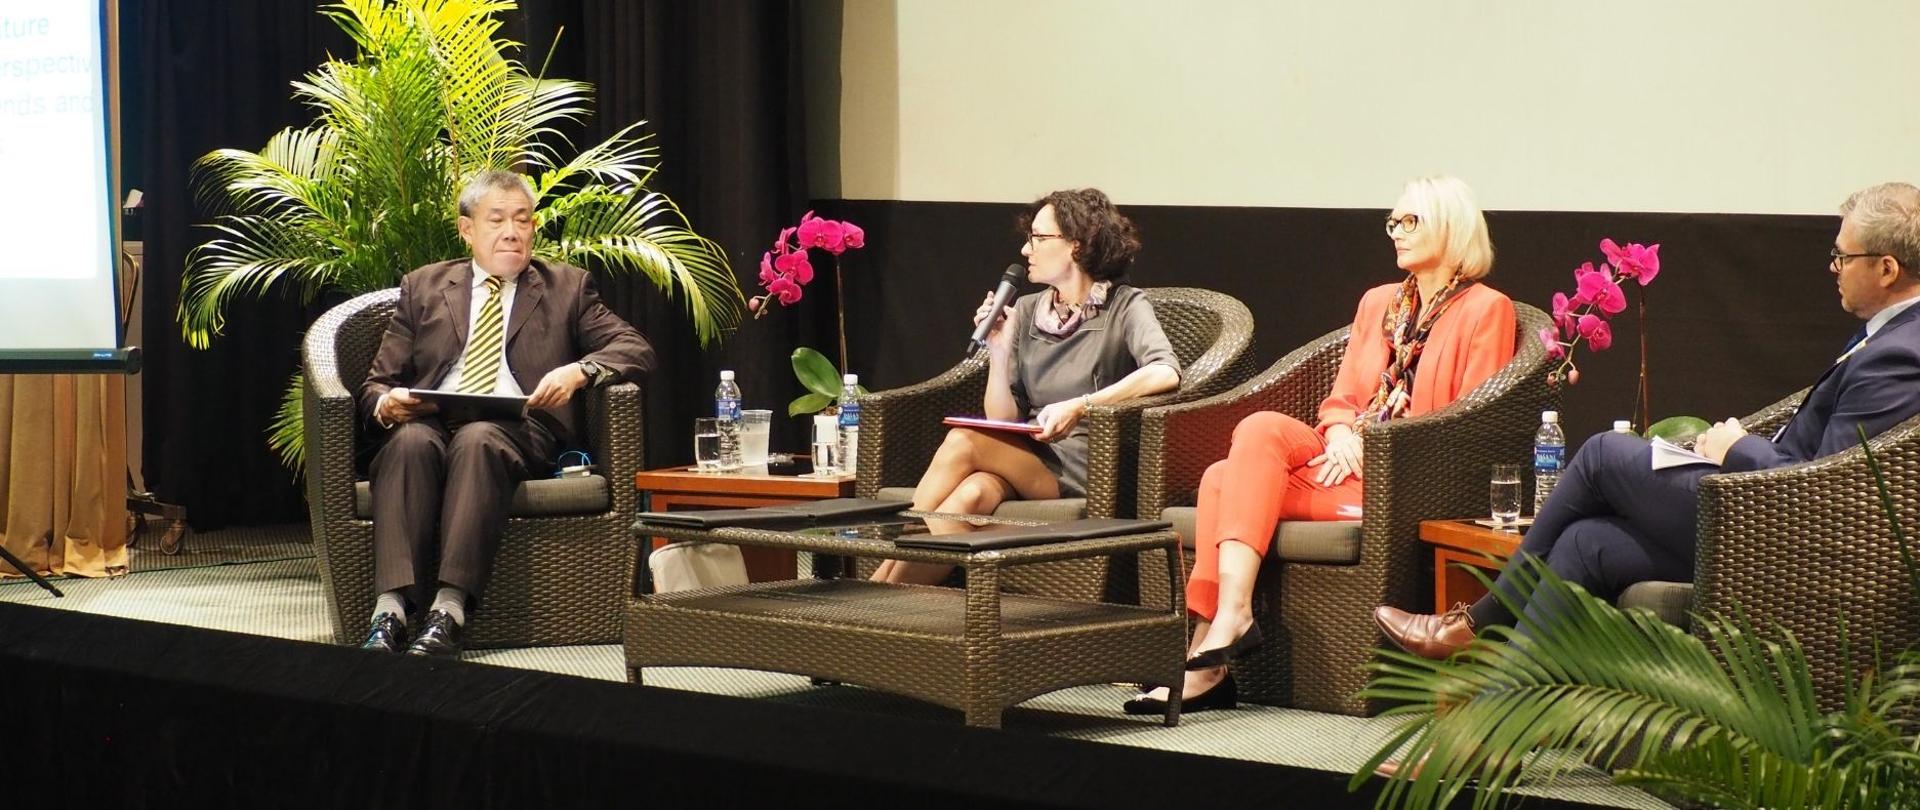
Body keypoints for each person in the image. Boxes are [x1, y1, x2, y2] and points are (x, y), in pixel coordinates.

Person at [1374, 181, 1920, 662]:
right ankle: (1493, 731)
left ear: (1886, 269)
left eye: (1842, 257)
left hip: (1782, 531)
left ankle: (1478, 623)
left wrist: (1738, 449)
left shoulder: (1901, 354)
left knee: (1604, 454)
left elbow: (1835, 490)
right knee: (1587, 541)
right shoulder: (1888, 336)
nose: (1833, 268)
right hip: (1762, 507)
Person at [1124, 176, 1516, 715]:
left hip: (1404, 470)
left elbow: (1468, 421)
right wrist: (1339, 435)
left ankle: (1208, 656)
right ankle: (1233, 616)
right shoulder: (1379, 303)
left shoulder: (1486, 309)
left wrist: (1378, 440)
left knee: (1219, 481)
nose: (1395, 233)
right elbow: (1342, 398)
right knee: (1259, 427)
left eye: (1410, 222)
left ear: (1450, 227)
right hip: (1345, 453)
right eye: (1392, 222)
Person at [357, 170, 655, 657]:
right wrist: (388, 405)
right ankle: (390, 611)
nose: (512, 232)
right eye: (496, 220)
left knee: (477, 439)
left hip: (517, 429)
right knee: (409, 442)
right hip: (431, 420)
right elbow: (377, 383)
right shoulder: (424, 287)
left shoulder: (567, 287)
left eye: (522, 220)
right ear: (467, 229)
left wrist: (580, 370)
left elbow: (634, 348)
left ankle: (448, 612)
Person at [869, 189, 1183, 585]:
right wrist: (1000, 353)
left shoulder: (1124, 305)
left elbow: (1165, 371)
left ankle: (872, 573)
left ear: (1076, 245)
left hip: (1086, 464)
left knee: (963, 441)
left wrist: (1082, 405)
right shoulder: (1031, 310)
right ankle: (885, 607)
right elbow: (1003, 417)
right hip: (1032, 456)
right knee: (970, 495)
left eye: (1038, 237)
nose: (1025, 248)